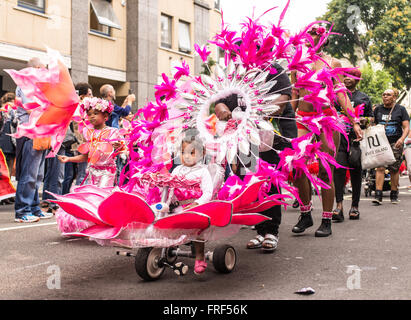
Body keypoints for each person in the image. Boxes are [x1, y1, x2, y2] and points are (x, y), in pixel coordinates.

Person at [290, 25, 362, 237]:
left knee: (325, 170)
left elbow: (341, 94)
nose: (308, 38)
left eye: (313, 34)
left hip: (327, 119)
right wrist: (286, 120)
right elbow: (295, 93)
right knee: (297, 167)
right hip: (302, 119)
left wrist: (354, 121)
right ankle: (305, 213)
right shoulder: (298, 63)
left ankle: (327, 219)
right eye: (307, 34)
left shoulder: (332, 63)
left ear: (323, 39)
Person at [14, 58, 53, 222]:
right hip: (31, 133)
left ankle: (34, 208)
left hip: (39, 133)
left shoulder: (34, 85)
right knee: (29, 174)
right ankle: (22, 211)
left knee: (37, 175)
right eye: (44, 68)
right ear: (37, 68)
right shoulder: (27, 84)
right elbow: (33, 109)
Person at [170, 129, 214, 274]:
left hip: (195, 206)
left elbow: (208, 192)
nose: (186, 156)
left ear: (201, 154)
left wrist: (198, 203)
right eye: (183, 153)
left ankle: (200, 256)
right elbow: (170, 187)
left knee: (197, 228)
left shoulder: (203, 171)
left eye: (191, 153)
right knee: (163, 218)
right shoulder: (177, 170)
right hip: (178, 206)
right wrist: (170, 200)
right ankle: (165, 248)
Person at [332, 69, 373, 221]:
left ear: (357, 80)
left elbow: (371, 119)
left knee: (356, 170)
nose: (347, 79)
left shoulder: (363, 97)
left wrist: (360, 120)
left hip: (356, 139)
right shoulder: (336, 95)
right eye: (345, 77)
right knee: (339, 169)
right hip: (339, 138)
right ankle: (339, 206)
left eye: (351, 77)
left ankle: (354, 206)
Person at [58, 97, 123, 188]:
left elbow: (123, 150)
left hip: (107, 172)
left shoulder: (113, 132)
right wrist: (69, 159)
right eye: (89, 114)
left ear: (105, 117)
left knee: (101, 195)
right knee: (92, 198)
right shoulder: (87, 132)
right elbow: (86, 156)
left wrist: (119, 147)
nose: (92, 116)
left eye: (96, 113)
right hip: (92, 172)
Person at [372, 88, 409, 205]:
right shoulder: (377, 109)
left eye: (388, 95)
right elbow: (373, 124)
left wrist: (402, 139)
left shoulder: (401, 110)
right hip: (381, 143)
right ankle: (378, 195)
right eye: (383, 94)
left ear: (394, 97)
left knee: (394, 169)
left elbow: (406, 127)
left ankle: (394, 194)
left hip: (395, 142)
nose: (385, 96)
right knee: (380, 168)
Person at [61, 82, 93, 192]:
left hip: (81, 144)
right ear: (81, 96)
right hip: (76, 144)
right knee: (73, 174)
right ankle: (70, 198)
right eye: (89, 94)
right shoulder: (77, 108)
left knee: (77, 174)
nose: (91, 97)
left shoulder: (87, 110)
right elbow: (77, 126)